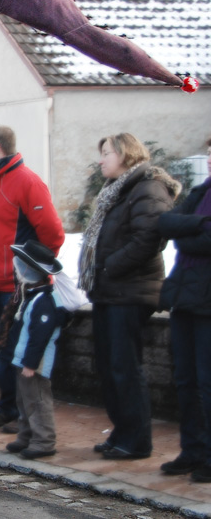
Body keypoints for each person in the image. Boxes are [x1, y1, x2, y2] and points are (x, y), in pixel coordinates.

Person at [79, 133, 179, 461]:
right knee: (110, 367)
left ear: (125, 153)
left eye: (106, 152)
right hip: (110, 291)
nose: (101, 159)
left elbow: (150, 238)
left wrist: (109, 267)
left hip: (130, 291)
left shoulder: (147, 187)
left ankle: (137, 440)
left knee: (125, 367)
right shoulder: (118, 190)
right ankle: (122, 432)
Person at [0, 124, 65, 429]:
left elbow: (52, 233)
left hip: (15, 286)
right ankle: (11, 407)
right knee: (1, 352)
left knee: (16, 353)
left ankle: (26, 418)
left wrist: (31, 273)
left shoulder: (27, 182)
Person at [158, 138, 211, 482]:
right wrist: (198, 225)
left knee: (207, 383)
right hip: (185, 296)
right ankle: (192, 449)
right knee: (186, 380)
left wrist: (187, 230)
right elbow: (167, 224)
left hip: (207, 301)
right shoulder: (200, 190)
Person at [3, 242, 69, 459]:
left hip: (36, 363)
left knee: (38, 400)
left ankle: (44, 440)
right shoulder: (33, 295)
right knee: (25, 399)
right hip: (24, 360)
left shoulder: (45, 301)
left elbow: (39, 337)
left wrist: (30, 364)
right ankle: (26, 436)